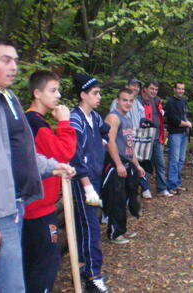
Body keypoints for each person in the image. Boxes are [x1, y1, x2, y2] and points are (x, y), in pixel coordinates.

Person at [0, 38, 75, 293]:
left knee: (3, 284)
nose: (14, 66)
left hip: (17, 205)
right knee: (10, 286)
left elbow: (22, 152)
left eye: (16, 61)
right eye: (6, 60)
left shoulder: (9, 100)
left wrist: (53, 167)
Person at [23, 70, 77, 293]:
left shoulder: (37, 122)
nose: (58, 95)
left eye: (58, 90)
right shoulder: (34, 123)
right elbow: (63, 152)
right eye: (53, 90)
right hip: (36, 208)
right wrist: (65, 123)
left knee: (36, 262)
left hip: (37, 204)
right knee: (45, 262)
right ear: (37, 93)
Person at [70, 73, 110, 292]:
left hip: (95, 177)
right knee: (90, 227)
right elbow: (74, 156)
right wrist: (86, 186)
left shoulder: (94, 117)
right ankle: (92, 275)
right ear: (83, 94)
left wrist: (101, 143)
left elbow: (106, 130)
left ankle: (86, 270)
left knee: (89, 225)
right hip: (82, 182)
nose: (99, 97)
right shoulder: (75, 119)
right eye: (95, 93)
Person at [102, 88, 146, 244]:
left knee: (127, 197)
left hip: (127, 162)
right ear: (117, 100)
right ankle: (114, 234)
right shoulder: (113, 117)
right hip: (115, 163)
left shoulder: (127, 119)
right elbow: (110, 141)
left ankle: (122, 230)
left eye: (130, 100)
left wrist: (137, 165)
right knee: (117, 199)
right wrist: (118, 164)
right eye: (124, 100)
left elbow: (129, 145)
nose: (128, 103)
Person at [110, 78, 152, 199]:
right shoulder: (116, 105)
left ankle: (139, 191)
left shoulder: (137, 103)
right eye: (133, 85)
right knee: (123, 171)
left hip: (137, 137)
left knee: (139, 164)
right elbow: (112, 134)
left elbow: (142, 118)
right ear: (127, 85)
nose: (135, 88)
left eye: (137, 86)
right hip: (121, 141)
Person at [138, 81, 174, 197]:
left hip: (157, 137)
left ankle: (161, 188)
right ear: (145, 89)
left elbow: (160, 118)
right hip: (143, 137)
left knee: (160, 163)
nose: (153, 91)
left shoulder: (157, 101)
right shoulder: (139, 102)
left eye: (155, 89)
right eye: (151, 89)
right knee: (145, 164)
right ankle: (144, 189)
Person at [165, 82, 192, 193]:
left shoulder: (184, 101)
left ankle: (177, 182)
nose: (180, 91)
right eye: (179, 89)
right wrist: (186, 124)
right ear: (174, 89)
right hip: (175, 134)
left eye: (182, 89)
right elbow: (173, 120)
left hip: (184, 134)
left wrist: (187, 122)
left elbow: (184, 116)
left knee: (181, 159)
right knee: (174, 160)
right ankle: (171, 185)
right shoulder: (170, 103)